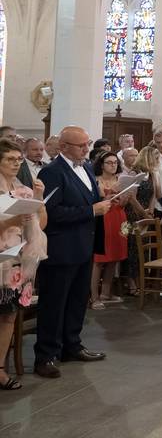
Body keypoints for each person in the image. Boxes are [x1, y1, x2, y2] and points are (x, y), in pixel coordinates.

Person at [35, 126, 111, 378]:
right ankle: (45, 355)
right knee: (54, 303)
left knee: (78, 300)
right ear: (64, 146)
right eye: (81, 145)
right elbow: (52, 213)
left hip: (83, 245)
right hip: (61, 248)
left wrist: (100, 199)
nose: (87, 149)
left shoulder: (87, 168)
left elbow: (85, 201)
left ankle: (72, 345)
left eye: (87, 144)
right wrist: (92, 211)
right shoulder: (52, 172)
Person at [0, 140, 47, 390]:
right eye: (10, 158)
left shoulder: (21, 189)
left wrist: (38, 199)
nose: (16, 163)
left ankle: (0, 369)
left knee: (8, 317)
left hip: (16, 261)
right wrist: (11, 221)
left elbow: (42, 225)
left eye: (19, 159)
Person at [90, 152, 129, 310]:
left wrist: (123, 197)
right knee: (99, 260)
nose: (113, 165)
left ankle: (106, 292)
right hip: (103, 219)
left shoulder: (120, 180)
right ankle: (94, 297)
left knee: (115, 257)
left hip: (119, 218)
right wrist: (107, 198)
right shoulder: (96, 181)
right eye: (109, 162)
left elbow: (125, 203)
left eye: (115, 162)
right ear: (101, 164)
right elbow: (95, 203)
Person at [123, 145, 162, 296]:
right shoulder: (135, 172)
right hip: (133, 214)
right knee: (133, 249)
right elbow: (131, 198)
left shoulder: (151, 173)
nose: (158, 161)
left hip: (146, 213)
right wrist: (143, 214)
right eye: (156, 158)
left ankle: (141, 282)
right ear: (149, 158)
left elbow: (154, 195)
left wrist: (151, 211)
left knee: (143, 251)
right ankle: (132, 284)